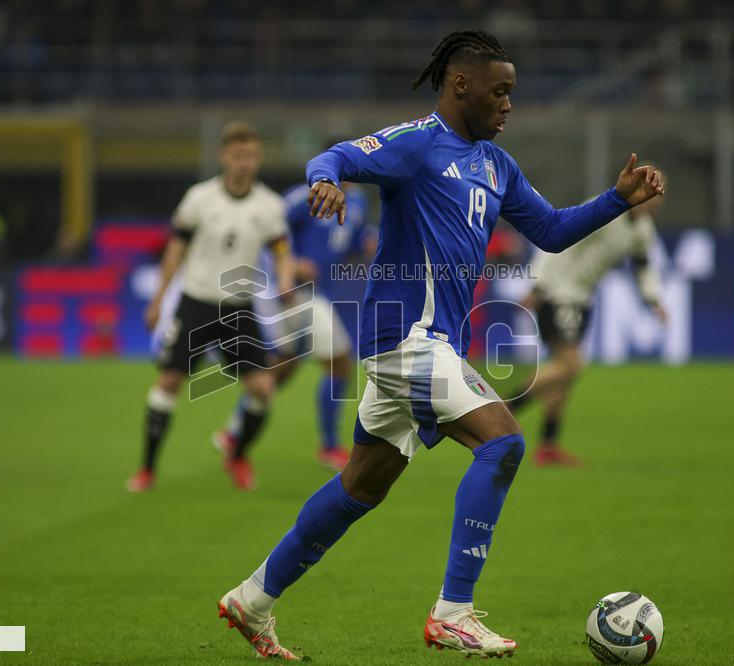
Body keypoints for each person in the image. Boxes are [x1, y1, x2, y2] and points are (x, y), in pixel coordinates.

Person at [216, 29, 664, 659]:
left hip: (430, 345)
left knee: (361, 486)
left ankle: (252, 599)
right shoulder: (418, 145)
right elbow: (339, 156)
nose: (508, 103)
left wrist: (617, 200)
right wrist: (325, 181)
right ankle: (454, 611)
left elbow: (554, 231)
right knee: (504, 443)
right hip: (406, 340)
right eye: (499, 91)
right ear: (461, 85)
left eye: (512, 92)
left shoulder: (496, 165)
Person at [126, 122, 294, 493]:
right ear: (223, 157)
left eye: (250, 156)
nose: (244, 163)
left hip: (237, 309)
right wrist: (158, 299)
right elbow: (176, 249)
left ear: (258, 158)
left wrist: (285, 278)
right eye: (237, 156)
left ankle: (236, 455)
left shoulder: (268, 206)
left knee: (263, 389)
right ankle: (147, 469)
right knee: (168, 381)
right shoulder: (199, 198)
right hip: (196, 303)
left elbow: (280, 249)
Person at [213, 173, 374, 472]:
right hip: (295, 292)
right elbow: (269, 233)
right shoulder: (304, 196)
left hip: (318, 291)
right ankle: (328, 446)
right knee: (340, 363)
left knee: (283, 365)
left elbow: (352, 241)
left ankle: (234, 431)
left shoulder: (359, 200)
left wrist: (367, 245)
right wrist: (292, 265)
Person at [507, 194, 668, 466]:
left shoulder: (643, 228)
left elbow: (643, 265)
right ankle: (503, 408)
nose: (653, 201)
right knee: (572, 365)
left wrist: (653, 298)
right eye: (649, 193)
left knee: (564, 375)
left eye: (657, 196)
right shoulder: (606, 212)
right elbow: (558, 238)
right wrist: (538, 285)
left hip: (581, 298)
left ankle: (548, 446)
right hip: (559, 292)